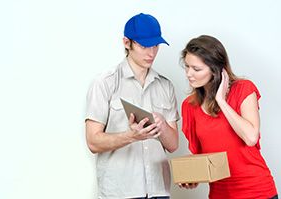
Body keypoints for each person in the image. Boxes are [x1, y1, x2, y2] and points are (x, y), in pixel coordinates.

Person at [85, 13, 179, 199]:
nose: (151, 53)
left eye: (155, 45)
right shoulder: (105, 83)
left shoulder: (165, 86)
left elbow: (173, 145)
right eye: (144, 46)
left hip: (159, 191)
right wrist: (131, 136)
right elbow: (93, 141)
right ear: (127, 43)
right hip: (120, 192)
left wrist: (163, 126)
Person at [178, 35, 278, 199]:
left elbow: (251, 137)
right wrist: (192, 174)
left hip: (257, 192)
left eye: (196, 69)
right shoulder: (189, 106)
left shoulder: (244, 89)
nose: (189, 74)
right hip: (220, 194)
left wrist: (221, 101)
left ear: (216, 69)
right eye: (187, 67)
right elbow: (203, 156)